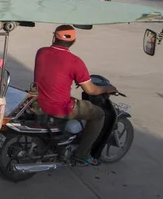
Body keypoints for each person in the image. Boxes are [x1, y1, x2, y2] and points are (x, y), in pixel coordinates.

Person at [33, 25, 117, 166]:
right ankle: (83, 154)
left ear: (54, 37)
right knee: (98, 114)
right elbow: (91, 90)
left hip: (37, 102)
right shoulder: (75, 62)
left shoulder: (41, 52)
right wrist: (108, 88)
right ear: (74, 41)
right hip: (60, 107)